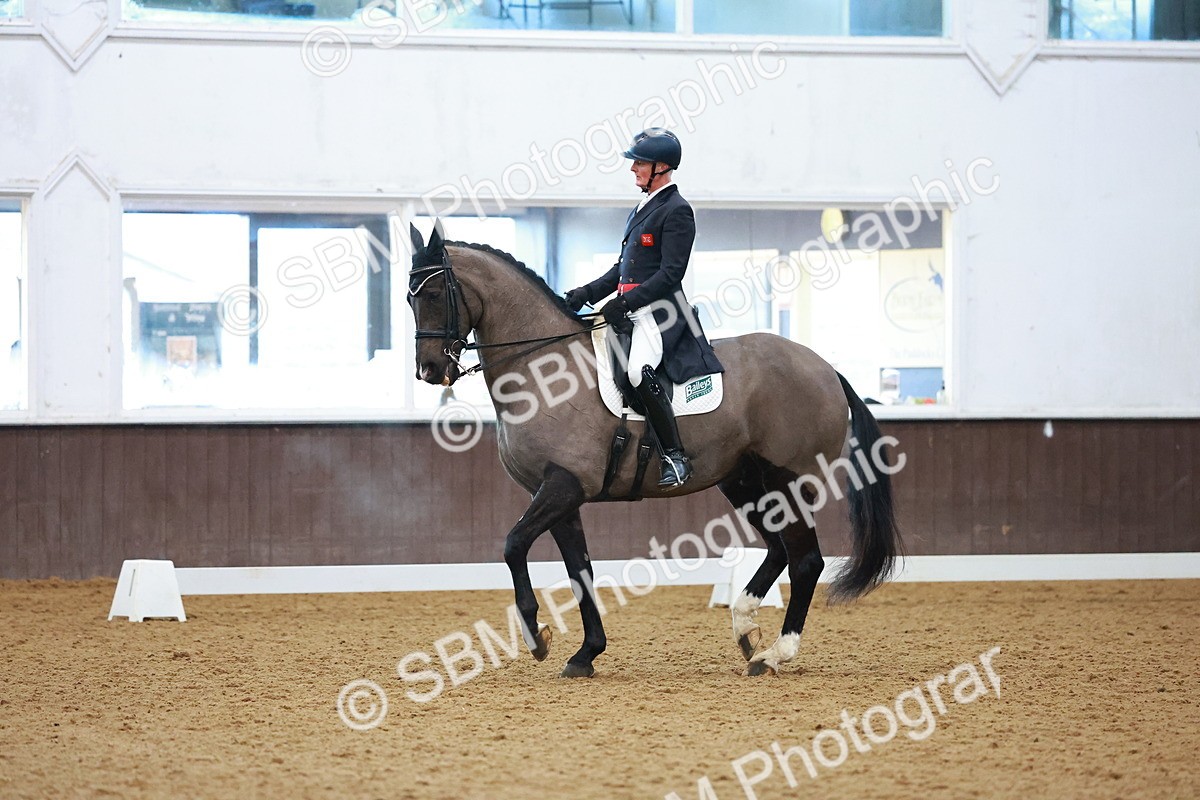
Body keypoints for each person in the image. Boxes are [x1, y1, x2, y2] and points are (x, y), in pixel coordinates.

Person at [564, 128, 724, 488]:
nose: (633, 168)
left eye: (640, 162)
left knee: (638, 371)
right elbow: (623, 269)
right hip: (631, 311)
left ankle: (675, 457)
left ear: (661, 167)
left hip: (659, 312)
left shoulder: (677, 211)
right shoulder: (642, 208)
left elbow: (670, 273)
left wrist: (625, 302)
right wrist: (587, 292)